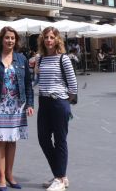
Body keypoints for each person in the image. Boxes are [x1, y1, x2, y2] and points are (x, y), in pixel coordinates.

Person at [0, 26, 34, 191]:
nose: (10, 40)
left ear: (16, 40)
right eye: (7, 38)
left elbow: (28, 83)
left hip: (17, 106)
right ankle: (2, 176)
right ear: (1, 40)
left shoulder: (21, 59)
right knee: (0, 140)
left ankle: (10, 174)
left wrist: (30, 104)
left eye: (12, 38)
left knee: (12, 141)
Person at [36, 27, 78, 191]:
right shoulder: (40, 59)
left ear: (57, 40)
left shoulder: (64, 59)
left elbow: (73, 85)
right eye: (46, 37)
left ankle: (59, 178)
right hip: (44, 102)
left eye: (52, 37)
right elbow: (38, 79)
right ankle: (60, 174)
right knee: (43, 139)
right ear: (42, 40)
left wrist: (65, 101)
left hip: (59, 102)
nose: (48, 40)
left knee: (60, 140)